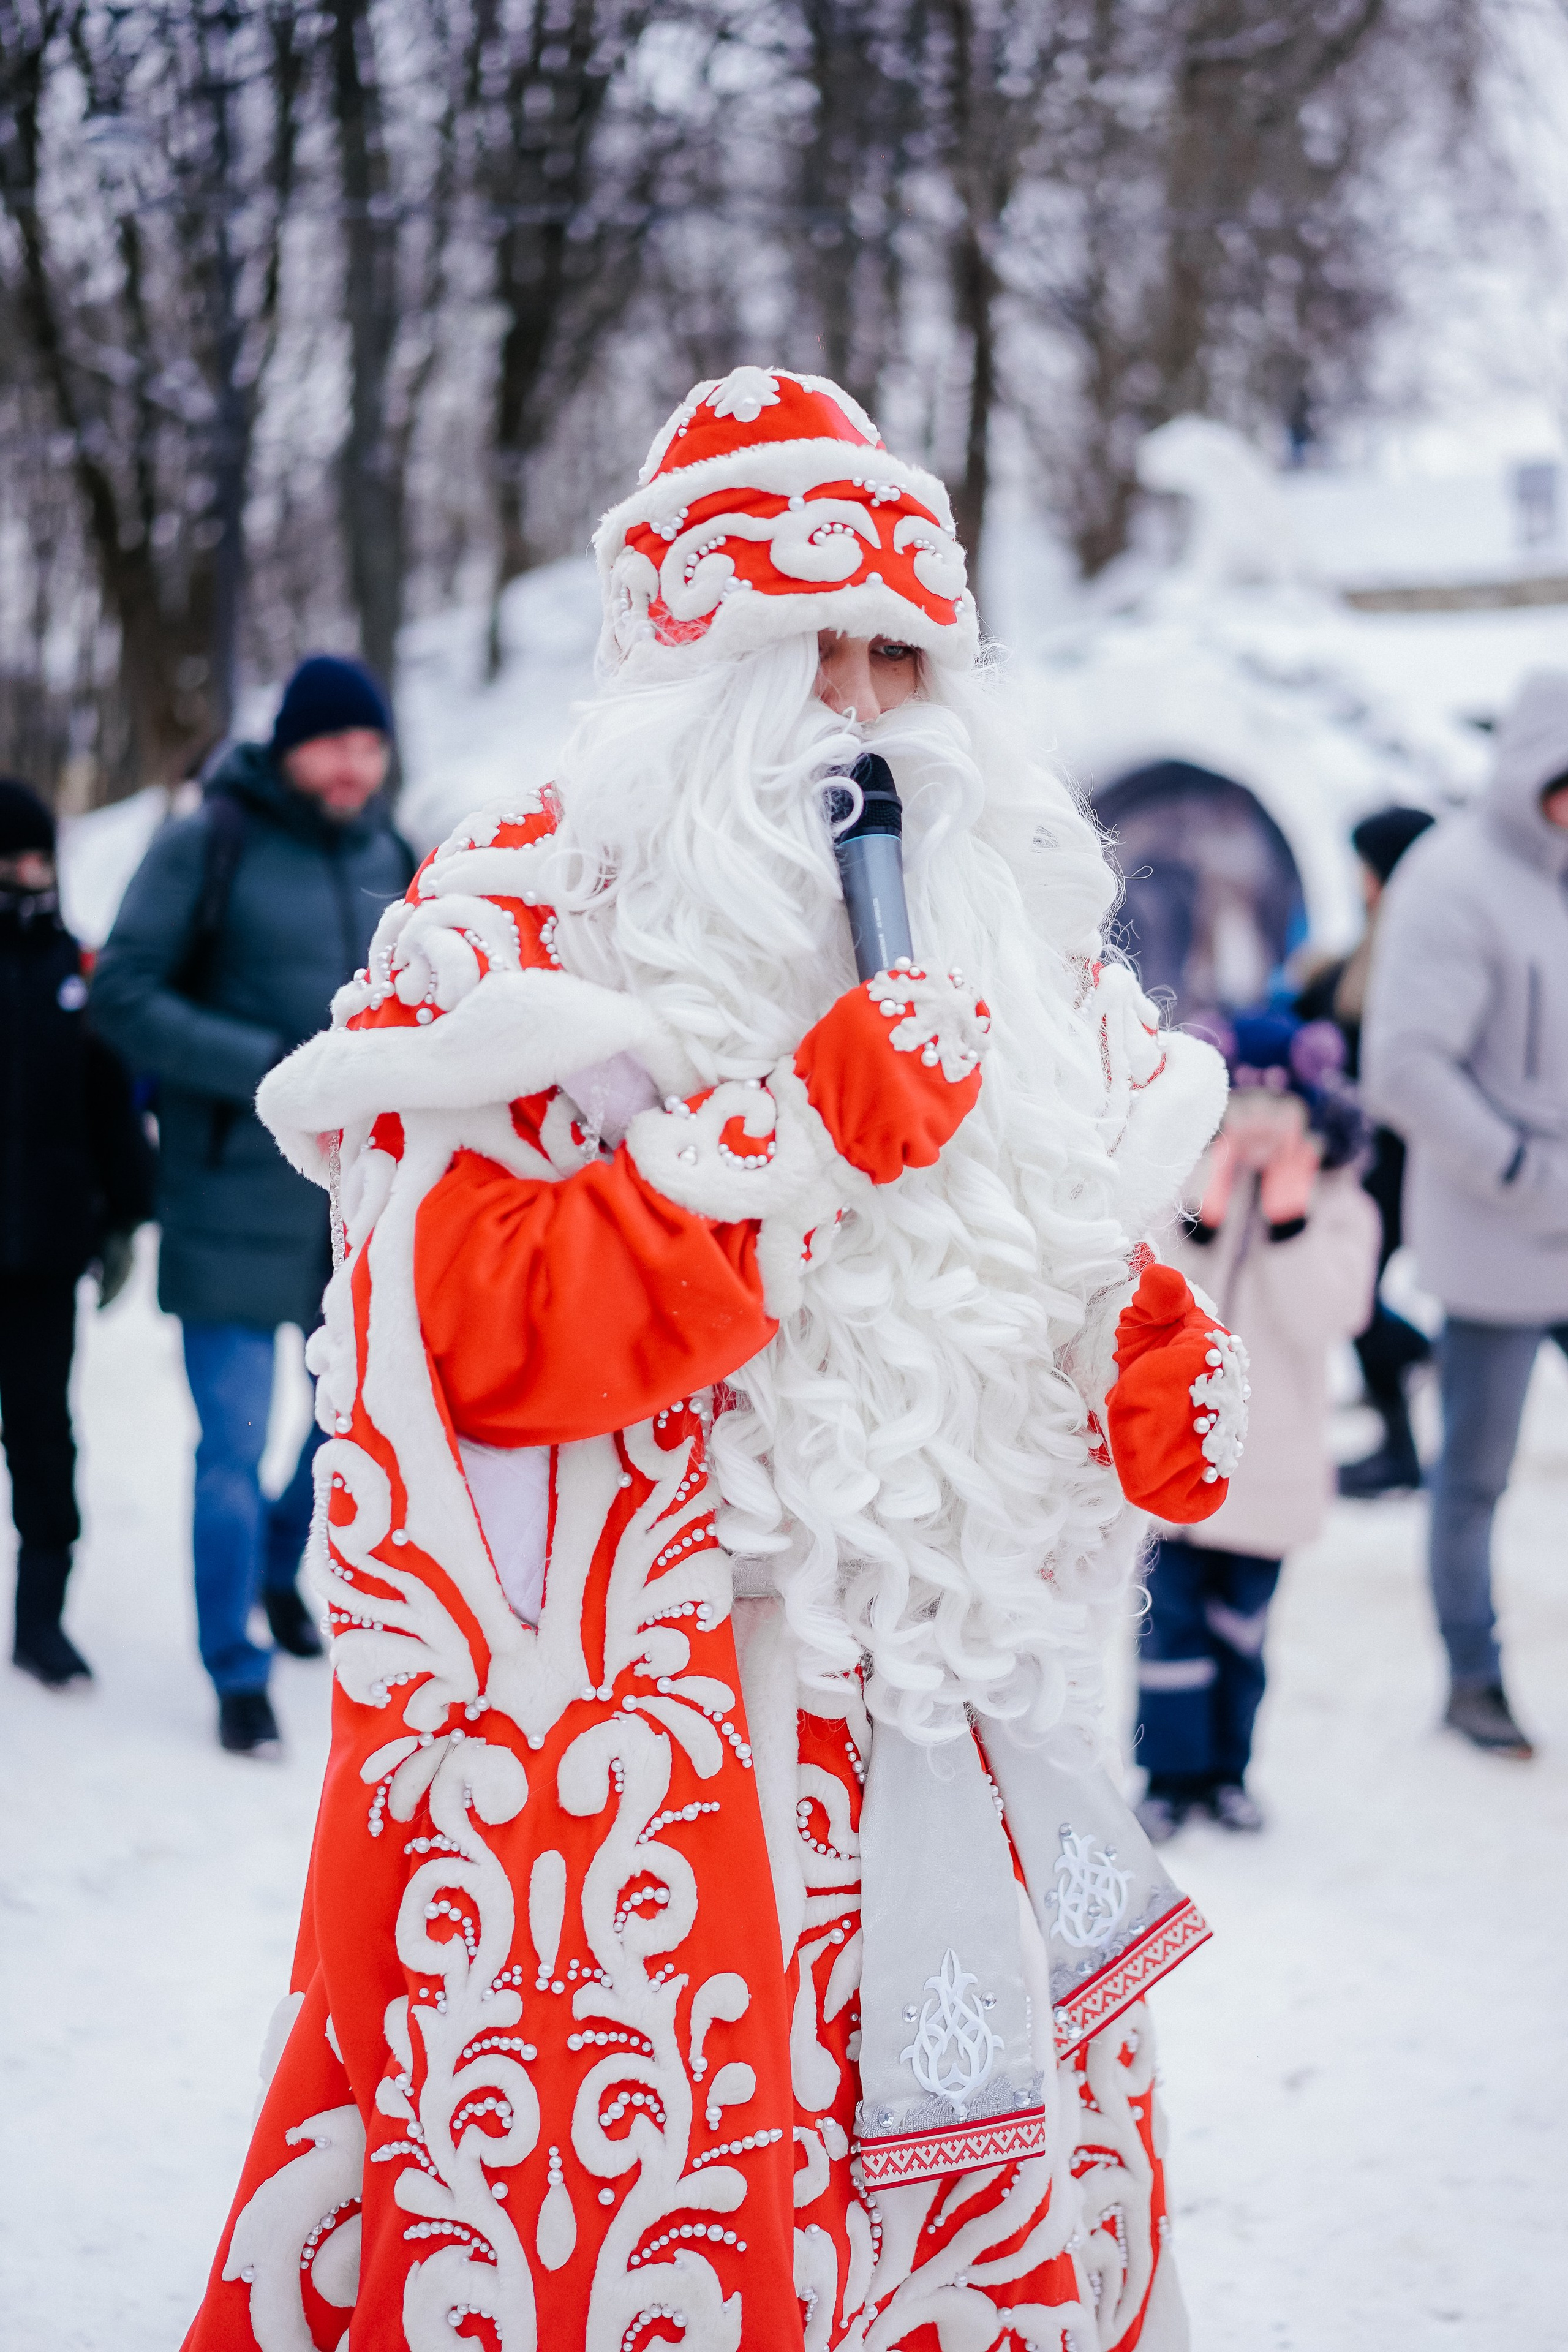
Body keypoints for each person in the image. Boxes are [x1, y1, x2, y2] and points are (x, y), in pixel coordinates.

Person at [181, 368, 1247, 2352]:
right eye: (808, 656)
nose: (862, 715)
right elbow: (470, 1348)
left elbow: (1069, 1294)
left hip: (967, 1764)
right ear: (689, 667)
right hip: (675, 1810)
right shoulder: (510, 928)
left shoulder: (1027, 952)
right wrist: (800, 1145)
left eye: (900, 660)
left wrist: (1141, 1397)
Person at [91, 657, 413, 1755]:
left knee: (339, 1436)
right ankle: (234, 1668)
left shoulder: (393, 853)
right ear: (290, 744)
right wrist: (278, 1068)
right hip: (228, 1191)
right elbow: (123, 991)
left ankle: (282, 1575)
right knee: (227, 1447)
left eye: (369, 746)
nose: (355, 765)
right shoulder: (207, 842)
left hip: (356, 1208)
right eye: (336, 743)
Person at [1363, 670, 1568, 1760]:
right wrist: (1527, 1172)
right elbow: (1402, 1065)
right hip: (1499, 1237)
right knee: (1475, 1474)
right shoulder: (1455, 879)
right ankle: (1472, 1674)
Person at [1134, 1012, 1379, 1841]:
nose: (1265, 1122)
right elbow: (1157, 1285)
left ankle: (1227, 1772)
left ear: (1314, 1111)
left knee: (1240, 1630)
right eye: (1249, 1101)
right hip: (1180, 1452)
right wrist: (1203, 1215)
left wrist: (1289, 1225)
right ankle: (1168, 1776)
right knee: (1169, 1628)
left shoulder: (1340, 1204)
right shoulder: (1186, 1178)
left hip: (1268, 1467)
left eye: (1284, 1104)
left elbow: (1328, 1317)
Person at [1, 778, 153, 1687]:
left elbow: (112, 1109)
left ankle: (40, 1619)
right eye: (12, 860)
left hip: (48, 1254)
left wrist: (128, 1215)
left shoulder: (77, 972)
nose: (29, 874)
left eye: (38, 859)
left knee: (45, 1440)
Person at [1295, 805, 1434, 1496]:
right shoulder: (1368, 956)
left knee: (1357, 1297)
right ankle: (1407, 1368)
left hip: (1392, 1165)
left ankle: (1400, 1449)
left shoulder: (1393, 962)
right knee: (1363, 1297)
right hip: (1392, 1161)